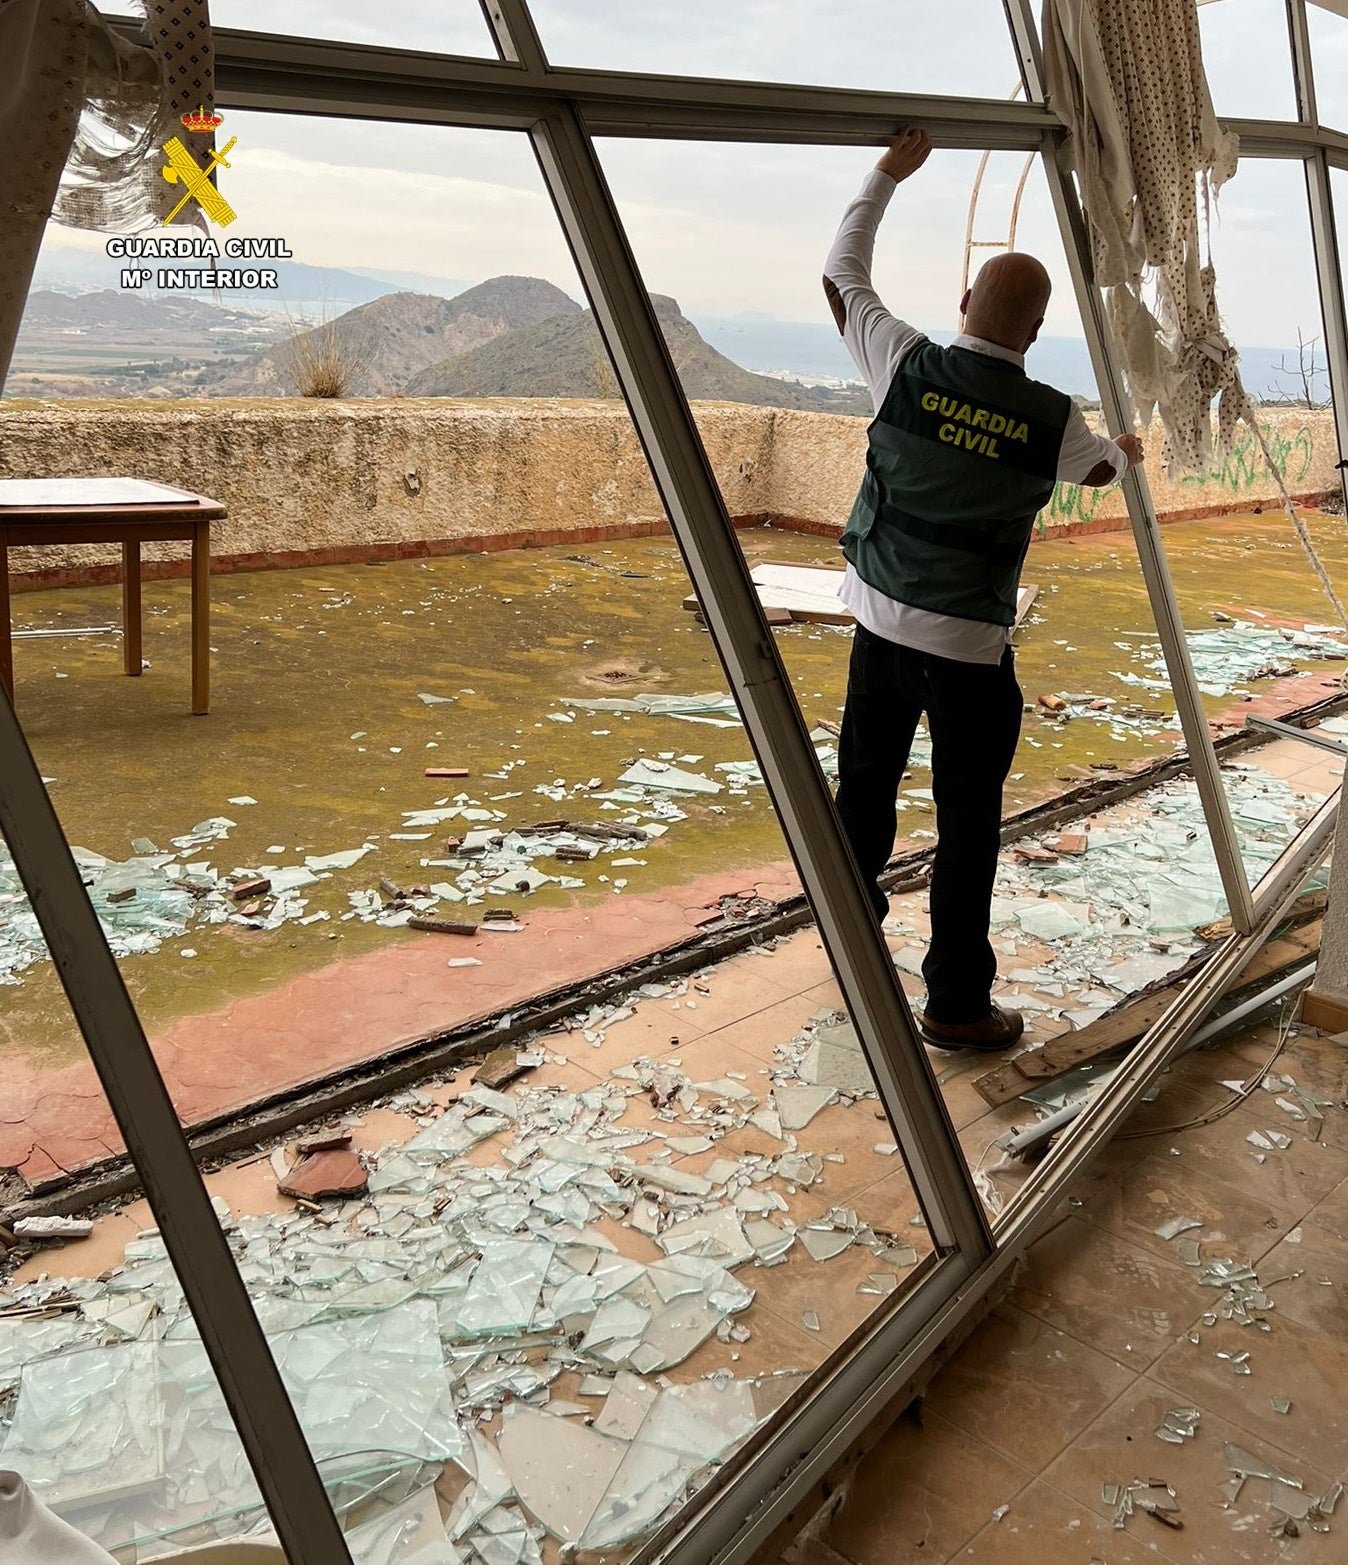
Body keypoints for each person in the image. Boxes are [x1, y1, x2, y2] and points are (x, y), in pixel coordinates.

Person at [824, 127, 1144, 1053]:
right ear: (1035, 333)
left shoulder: (903, 363)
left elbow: (844, 273)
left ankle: (852, 953)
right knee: (968, 829)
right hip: (970, 656)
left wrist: (888, 173)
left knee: (862, 803)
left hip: (879, 634)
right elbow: (1100, 476)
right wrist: (1125, 452)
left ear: (965, 303)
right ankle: (957, 1006)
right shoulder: (1055, 421)